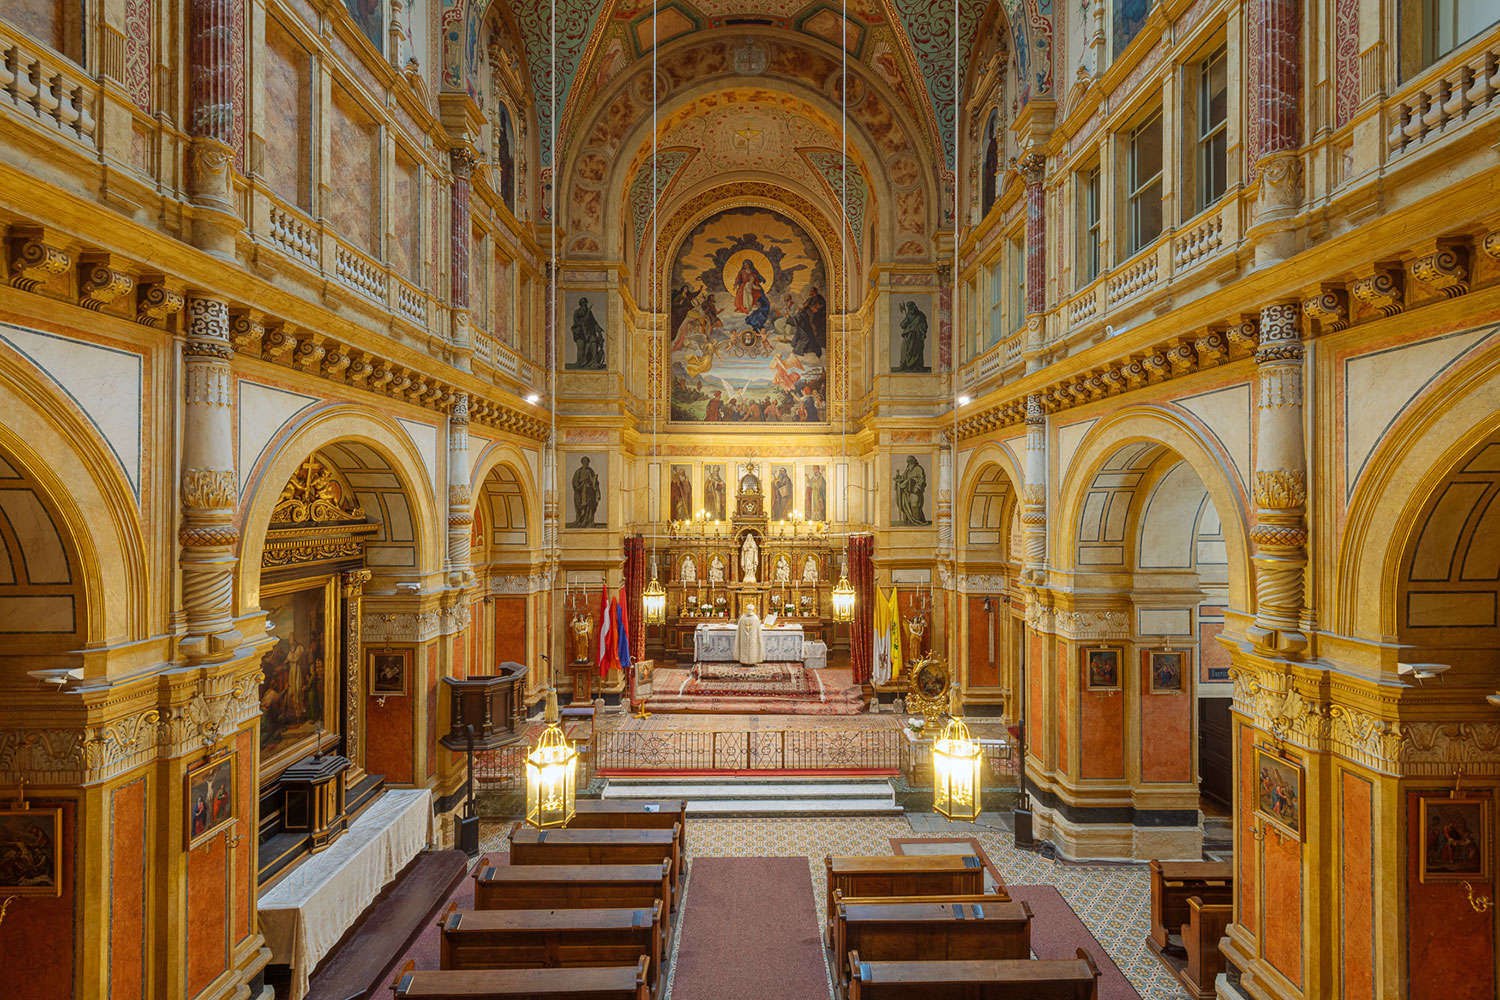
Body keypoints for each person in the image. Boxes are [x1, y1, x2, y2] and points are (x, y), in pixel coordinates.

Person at [895, 299, 930, 373]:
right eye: (909, 307)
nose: (912, 308)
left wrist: (917, 329)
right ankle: (904, 365)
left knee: (915, 351)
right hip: (908, 337)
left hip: (916, 337)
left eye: (912, 306)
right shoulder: (908, 315)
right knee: (905, 350)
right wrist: (906, 322)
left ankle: (916, 366)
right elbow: (902, 325)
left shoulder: (920, 315)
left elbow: (924, 326)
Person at [894, 454, 930, 525]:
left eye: (910, 461)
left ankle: (916, 521)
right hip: (907, 491)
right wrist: (899, 478)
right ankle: (910, 521)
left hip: (915, 491)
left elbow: (922, 480)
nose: (909, 462)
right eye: (908, 461)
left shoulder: (919, 469)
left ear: (914, 461)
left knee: (914, 505)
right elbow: (904, 478)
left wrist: (917, 487)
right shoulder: (907, 469)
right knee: (907, 505)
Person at [570, 296, 606, 369]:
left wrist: (598, 328)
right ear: (580, 304)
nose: (585, 304)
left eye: (585, 302)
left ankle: (594, 361)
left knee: (594, 343)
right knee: (581, 348)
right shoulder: (577, 312)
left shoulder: (589, 313)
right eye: (583, 302)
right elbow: (576, 322)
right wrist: (584, 321)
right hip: (580, 333)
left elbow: (594, 322)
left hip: (589, 332)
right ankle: (580, 362)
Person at [570, 456, 601, 527]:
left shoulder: (591, 471)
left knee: (589, 507)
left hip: (589, 492)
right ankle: (580, 520)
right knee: (581, 506)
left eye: (587, 461)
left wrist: (594, 481)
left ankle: (588, 521)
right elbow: (575, 482)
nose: (586, 463)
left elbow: (595, 482)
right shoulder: (578, 471)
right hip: (580, 492)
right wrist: (581, 483)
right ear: (582, 462)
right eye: (584, 461)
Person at [735, 601, 765, 666]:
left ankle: (744, 661)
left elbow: (739, 630)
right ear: (753, 609)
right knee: (753, 647)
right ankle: (752, 661)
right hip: (753, 637)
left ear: (746, 609)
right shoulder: (756, 618)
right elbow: (758, 631)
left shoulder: (742, 618)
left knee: (744, 647)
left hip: (743, 637)